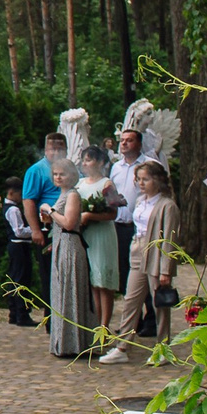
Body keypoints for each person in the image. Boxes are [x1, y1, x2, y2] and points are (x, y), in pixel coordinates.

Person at [102, 159, 176, 364]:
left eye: (146, 179)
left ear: (158, 180)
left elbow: (169, 238)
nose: (141, 183)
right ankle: (123, 345)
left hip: (156, 253)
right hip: (137, 250)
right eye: (139, 179)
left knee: (159, 303)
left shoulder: (167, 205)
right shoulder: (142, 201)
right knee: (130, 299)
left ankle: (163, 347)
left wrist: (165, 269)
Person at [49, 165, 100, 360]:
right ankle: (63, 342)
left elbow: (69, 223)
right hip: (61, 244)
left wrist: (50, 210)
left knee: (70, 291)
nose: (58, 177)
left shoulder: (72, 195)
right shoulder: (62, 194)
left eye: (62, 173)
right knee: (61, 291)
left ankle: (76, 342)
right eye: (55, 174)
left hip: (70, 245)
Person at [73, 145, 123, 341]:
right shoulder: (79, 184)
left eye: (90, 159)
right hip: (86, 235)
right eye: (84, 159)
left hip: (102, 234)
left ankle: (105, 325)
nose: (85, 163)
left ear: (101, 162)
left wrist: (90, 215)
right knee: (93, 281)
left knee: (104, 281)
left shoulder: (106, 183)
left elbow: (113, 213)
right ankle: (96, 324)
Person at [110, 129, 147, 333]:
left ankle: (151, 319)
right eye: (122, 140)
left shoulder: (148, 164)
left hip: (141, 227)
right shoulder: (116, 167)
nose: (124, 144)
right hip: (119, 225)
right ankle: (134, 319)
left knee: (144, 272)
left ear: (139, 144)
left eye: (129, 140)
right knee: (126, 274)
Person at [2, 194, 40, 327]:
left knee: (15, 278)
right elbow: (19, 231)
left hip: (16, 246)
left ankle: (14, 313)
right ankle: (21, 314)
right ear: (13, 192)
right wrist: (36, 229)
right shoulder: (13, 210)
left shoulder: (9, 208)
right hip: (19, 246)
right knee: (21, 279)